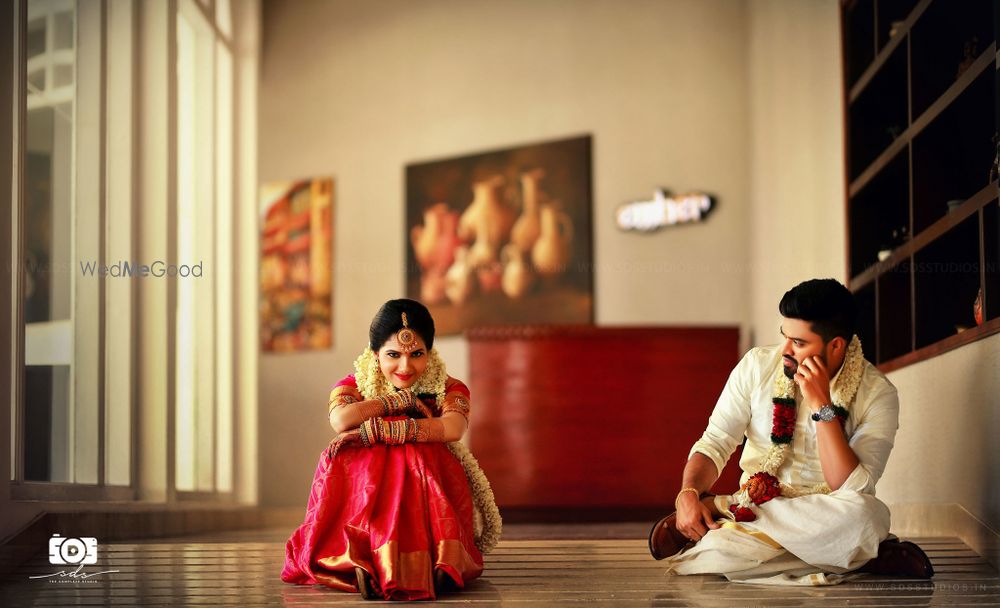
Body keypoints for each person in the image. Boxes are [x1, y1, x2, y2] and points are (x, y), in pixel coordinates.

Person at [648, 278, 933, 585]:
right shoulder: (757, 366)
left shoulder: (878, 393)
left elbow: (853, 488)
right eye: (785, 336)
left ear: (836, 345)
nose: (784, 350)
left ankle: (722, 510)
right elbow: (715, 442)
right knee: (724, 551)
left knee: (866, 517)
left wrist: (822, 406)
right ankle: (857, 558)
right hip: (761, 500)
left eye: (798, 343)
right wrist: (688, 493)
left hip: (825, 510)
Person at [282, 299, 501, 600]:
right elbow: (340, 419)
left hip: (430, 473)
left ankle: (434, 559)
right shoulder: (356, 382)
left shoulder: (448, 386)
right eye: (393, 355)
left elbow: (453, 428)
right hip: (369, 481)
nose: (405, 367)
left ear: (430, 352)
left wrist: (381, 429)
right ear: (375, 354)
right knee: (368, 457)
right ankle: (362, 557)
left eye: (416, 354)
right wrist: (397, 403)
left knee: (415, 454)